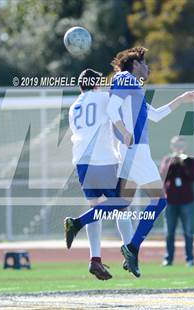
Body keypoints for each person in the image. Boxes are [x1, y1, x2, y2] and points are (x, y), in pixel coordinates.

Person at [65, 46, 194, 278]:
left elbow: (157, 115)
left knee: (121, 203)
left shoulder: (133, 89)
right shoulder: (126, 77)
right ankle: (131, 247)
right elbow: (111, 108)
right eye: (145, 63)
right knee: (159, 201)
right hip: (136, 150)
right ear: (136, 64)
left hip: (129, 152)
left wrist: (181, 99)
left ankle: (79, 224)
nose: (148, 68)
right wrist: (123, 130)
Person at [67, 68, 133, 280]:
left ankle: (95, 258)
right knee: (121, 204)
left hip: (81, 161)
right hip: (102, 159)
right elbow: (120, 102)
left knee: (96, 206)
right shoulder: (103, 98)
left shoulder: (74, 106)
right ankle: (130, 252)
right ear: (96, 85)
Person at [160, 136, 194, 267]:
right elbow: (163, 176)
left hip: (186, 200)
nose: (178, 148)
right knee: (169, 232)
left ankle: (190, 258)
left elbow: (193, 176)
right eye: (176, 146)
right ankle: (168, 258)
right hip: (170, 201)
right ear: (172, 146)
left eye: (180, 146)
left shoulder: (189, 160)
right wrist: (172, 164)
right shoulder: (167, 159)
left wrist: (183, 164)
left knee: (187, 231)